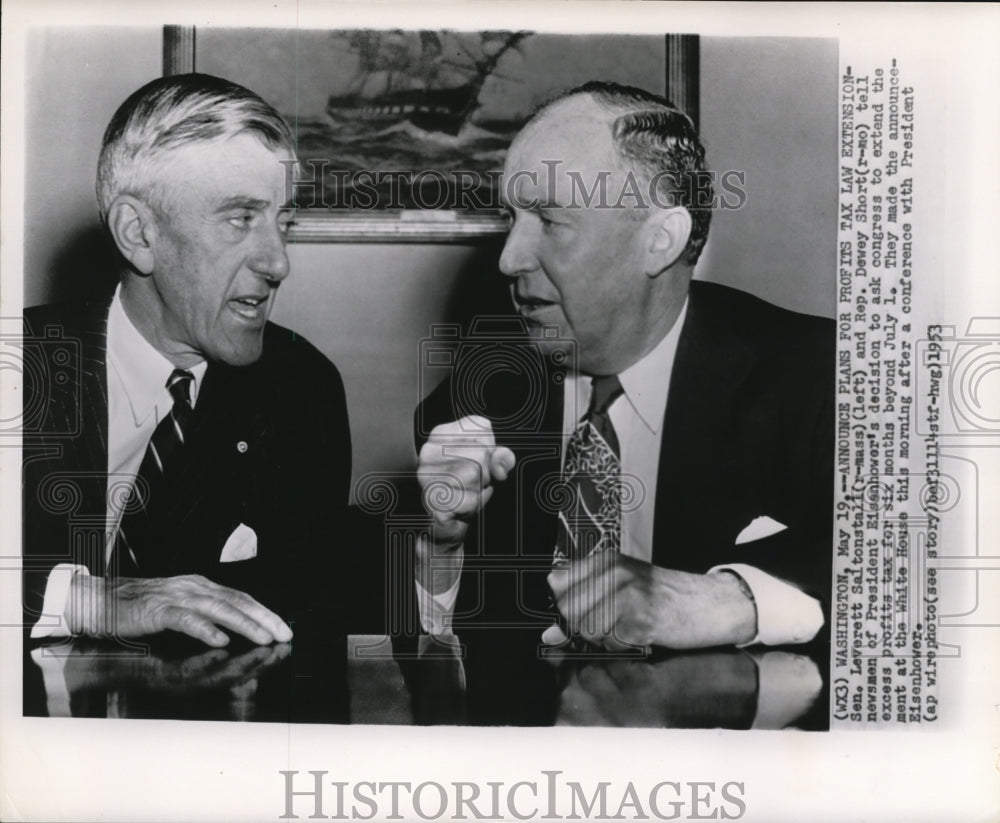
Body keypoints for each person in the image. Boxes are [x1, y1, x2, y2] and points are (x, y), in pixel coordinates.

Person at [415, 81, 833, 651]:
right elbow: (437, 655)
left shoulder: (818, 380)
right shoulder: (480, 395)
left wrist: (741, 599)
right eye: (510, 217)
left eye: (550, 221)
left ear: (660, 241)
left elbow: (917, 575)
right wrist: (439, 548)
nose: (509, 258)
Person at [23, 74, 351, 648]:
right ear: (139, 234)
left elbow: (308, 617)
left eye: (283, 221)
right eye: (239, 218)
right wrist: (81, 600)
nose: (278, 263)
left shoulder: (301, 389)